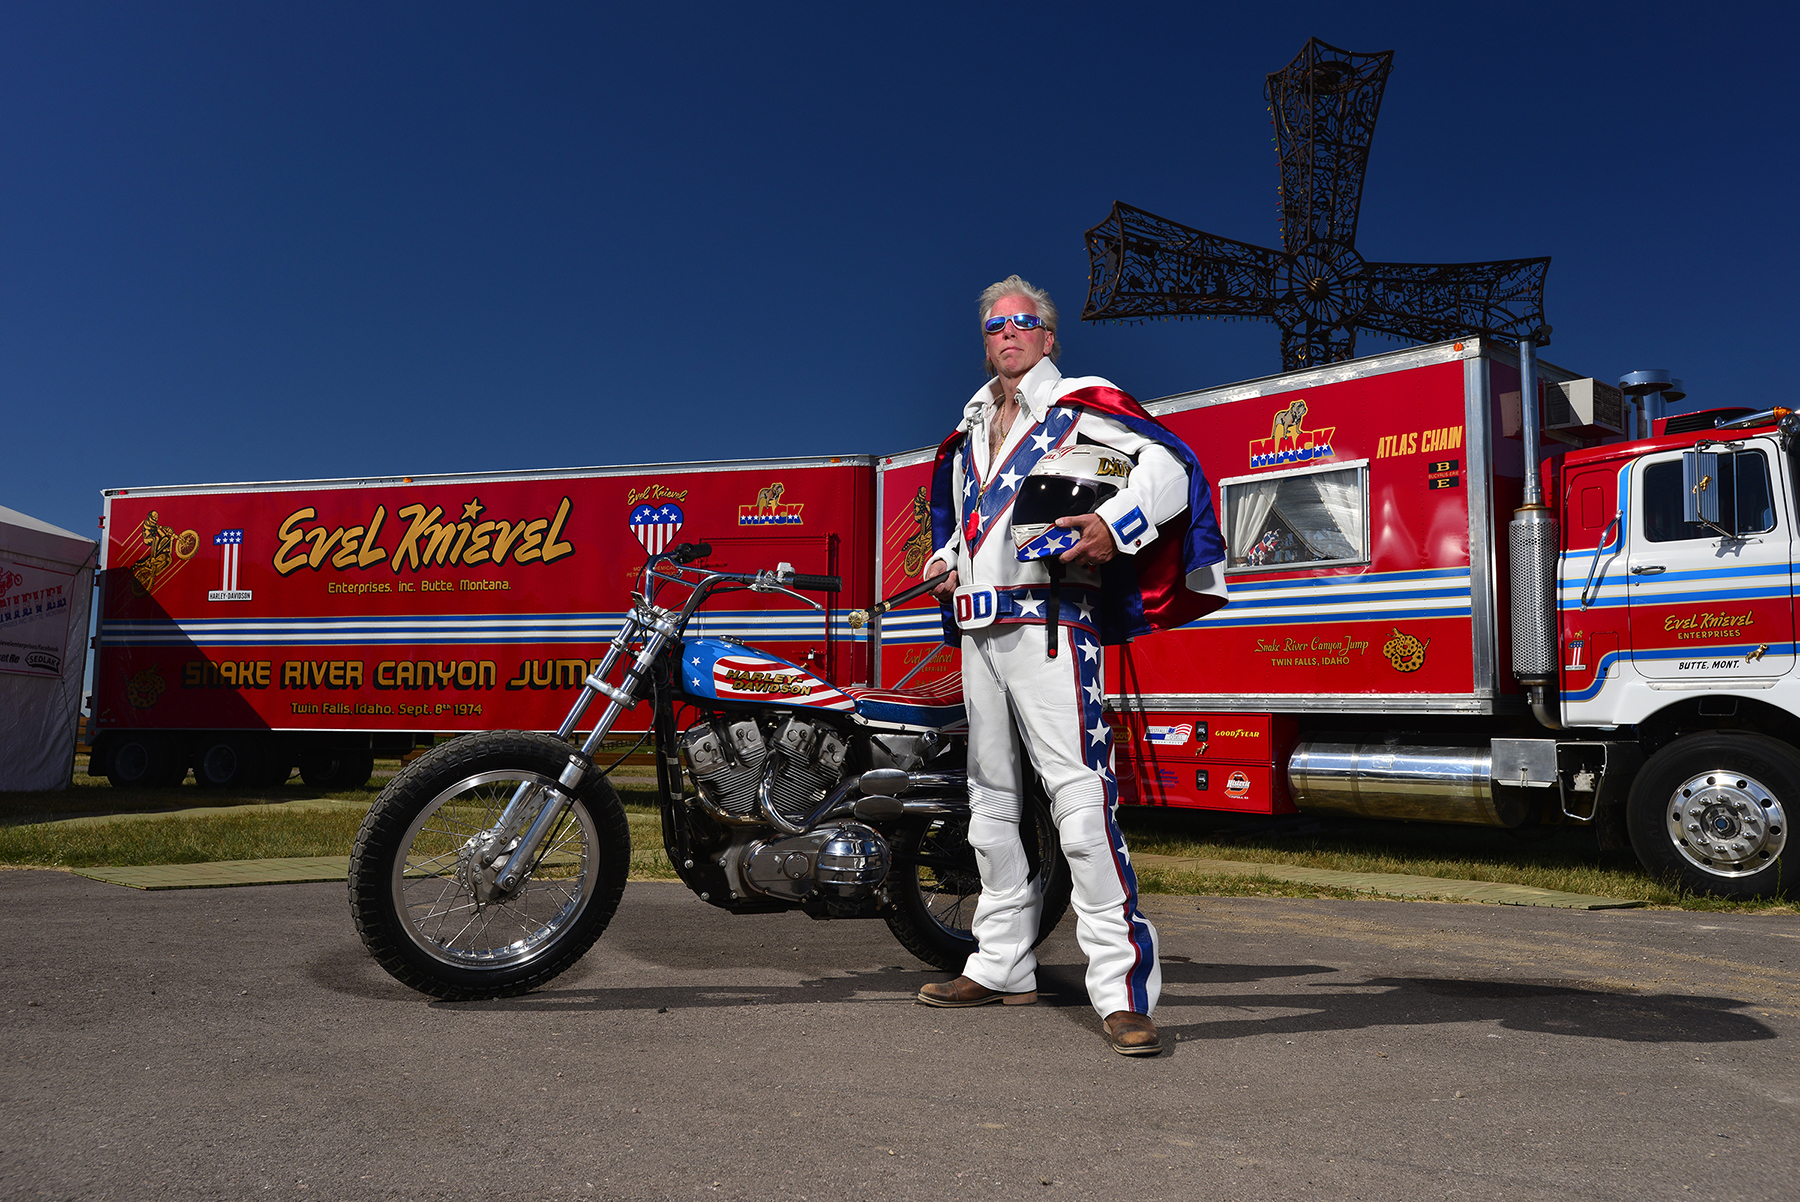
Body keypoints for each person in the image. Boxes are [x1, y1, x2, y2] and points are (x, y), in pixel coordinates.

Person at [916, 274, 1227, 1056]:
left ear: (1049, 337)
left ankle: (1122, 992)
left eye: (1022, 323)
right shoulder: (971, 427)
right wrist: (947, 557)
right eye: (994, 326)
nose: (1007, 334)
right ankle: (999, 963)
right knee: (988, 810)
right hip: (981, 636)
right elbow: (970, 521)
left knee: (1081, 811)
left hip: (1056, 629)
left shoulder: (1083, 406)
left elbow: (1166, 471)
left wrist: (1112, 523)